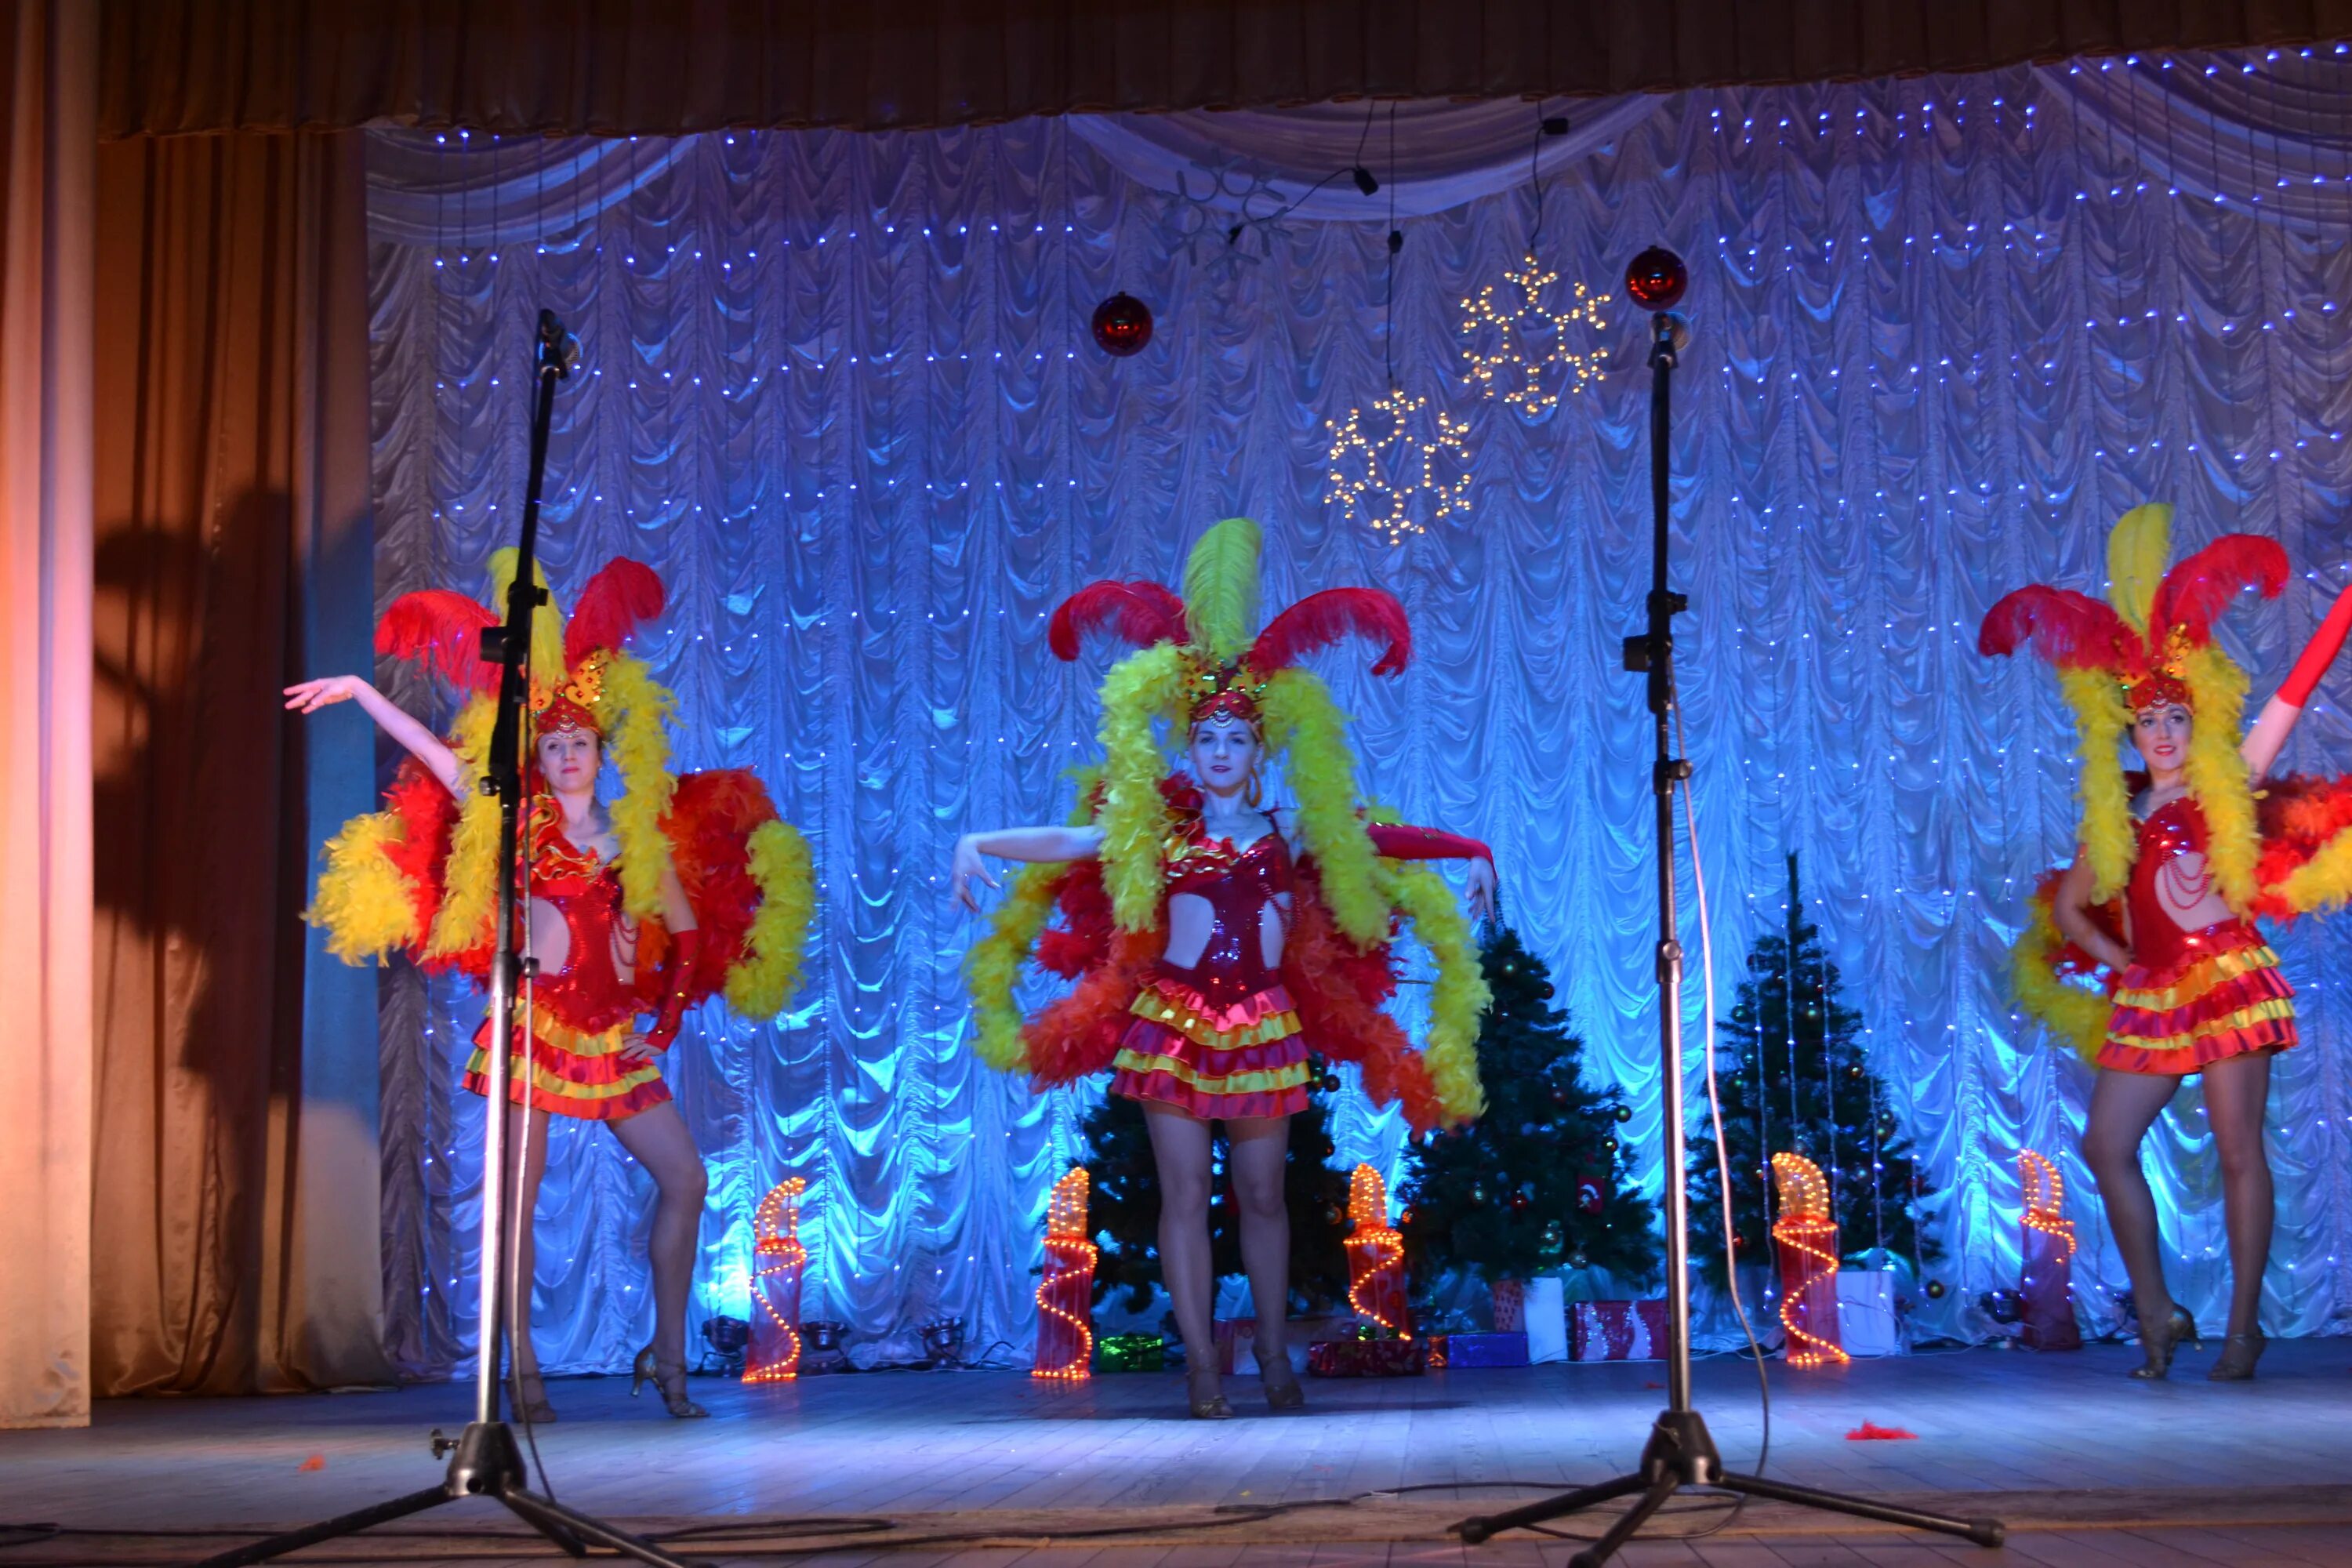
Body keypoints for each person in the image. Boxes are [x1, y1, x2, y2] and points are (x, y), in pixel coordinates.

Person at [955, 517, 1496, 1417]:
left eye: (1235, 739)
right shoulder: (1159, 828)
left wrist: (1471, 849)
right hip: (1173, 1024)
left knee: (1262, 1196)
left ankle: (1275, 1358)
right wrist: (978, 840)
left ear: (1258, 751)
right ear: (1189, 746)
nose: (1218, 751)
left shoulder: (1288, 827)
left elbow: (1378, 836)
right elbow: (1070, 838)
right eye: (1205, 737)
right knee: (1182, 1197)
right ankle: (1203, 1364)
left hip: (1263, 1025)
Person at [293, 553, 813, 1420]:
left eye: (581, 743)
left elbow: (686, 934)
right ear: (540, 753)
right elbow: (436, 755)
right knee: (517, 1203)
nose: (568, 754)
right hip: (533, 1027)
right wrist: (358, 690)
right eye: (555, 744)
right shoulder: (517, 817)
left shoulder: (632, 834)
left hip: (611, 1037)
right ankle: (522, 1367)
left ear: (603, 752)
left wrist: (664, 1026)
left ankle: (669, 1357)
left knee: (687, 1180)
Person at [1981, 503, 2352, 1381]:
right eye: (2148, 722)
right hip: (2155, 993)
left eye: (2176, 718)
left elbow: (2297, 688)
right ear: (2131, 732)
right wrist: (2126, 965)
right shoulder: (2120, 814)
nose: (2162, 733)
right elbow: (2073, 909)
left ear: (2196, 722)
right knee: (2105, 1146)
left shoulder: (2231, 779)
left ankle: (2243, 1328)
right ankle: (2157, 1309)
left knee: (2237, 1149)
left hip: (2227, 977)